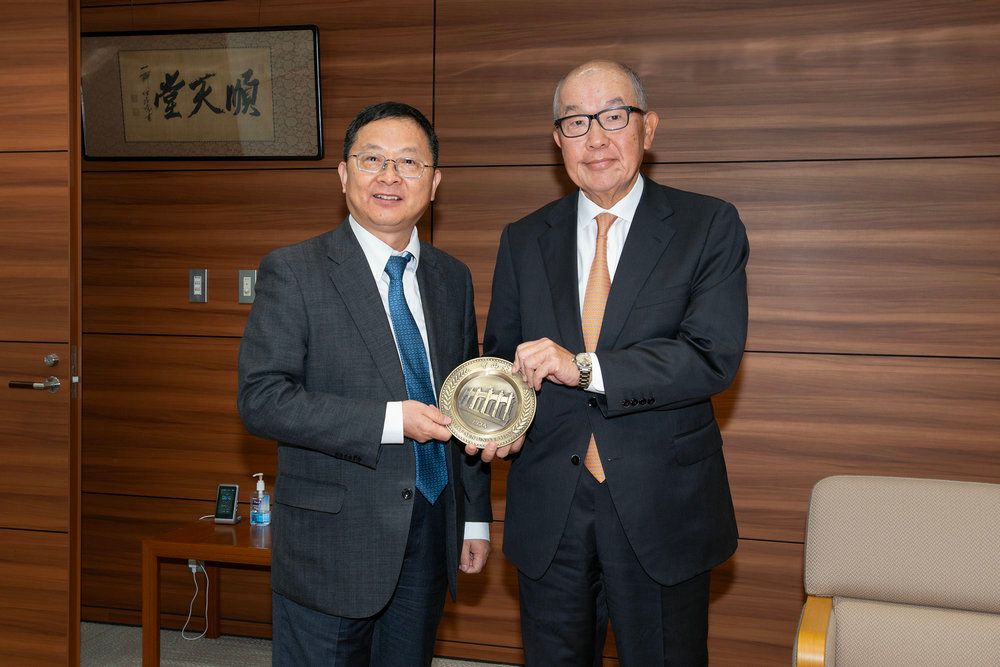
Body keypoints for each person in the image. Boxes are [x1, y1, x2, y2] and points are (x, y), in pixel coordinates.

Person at [473, 61, 749, 665]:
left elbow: (710, 356)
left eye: (613, 117)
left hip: (662, 502)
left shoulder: (707, 225)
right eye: (576, 122)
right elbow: (502, 355)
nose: (595, 138)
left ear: (648, 128)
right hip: (551, 505)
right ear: (558, 140)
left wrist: (584, 368)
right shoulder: (524, 238)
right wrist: (496, 417)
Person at [238, 101, 492, 667]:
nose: (389, 176)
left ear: (435, 182)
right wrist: (393, 420)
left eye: (409, 162)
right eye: (372, 159)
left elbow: (465, 399)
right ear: (343, 173)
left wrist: (473, 517)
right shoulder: (294, 270)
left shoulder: (452, 278)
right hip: (333, 541)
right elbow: (262, 400)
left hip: (430, 529)